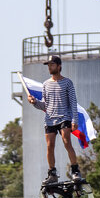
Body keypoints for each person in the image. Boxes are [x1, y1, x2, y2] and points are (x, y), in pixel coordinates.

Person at [27, 54, 80, 186]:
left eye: (52, 64)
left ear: (59, 66)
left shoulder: (67, 83)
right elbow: (44, 105)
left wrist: (75, 120)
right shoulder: (46, 84)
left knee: (67, 142)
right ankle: (52, 174)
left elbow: (73, 102)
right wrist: (34, 102)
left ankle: (75, 170)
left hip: (64, 117)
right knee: (49, 146)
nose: (49, 67)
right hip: (50, 119)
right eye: (48, 65)